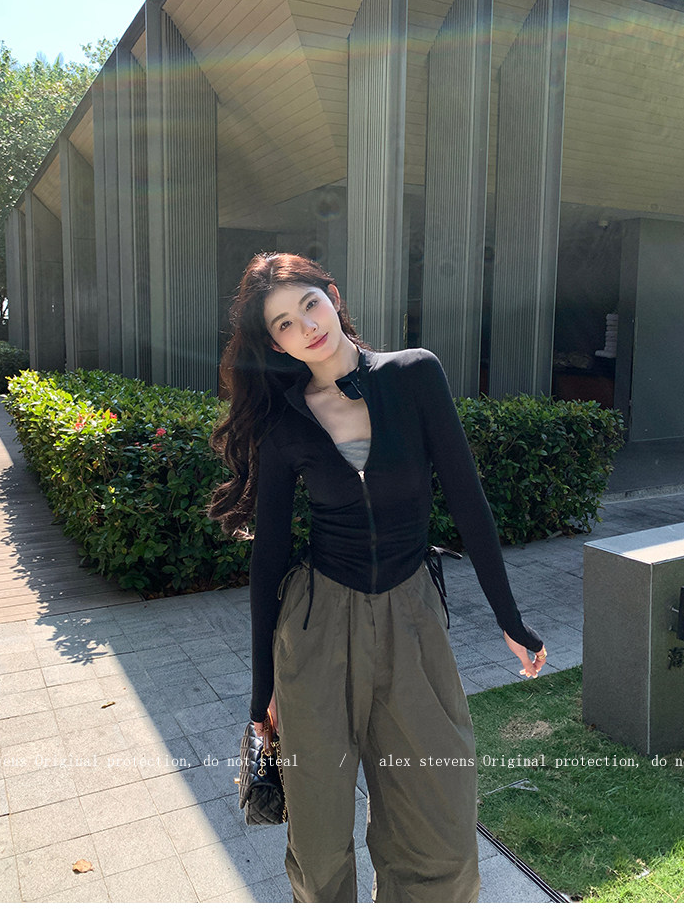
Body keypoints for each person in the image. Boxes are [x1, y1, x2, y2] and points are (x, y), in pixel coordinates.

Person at [209, 251, 546, 903]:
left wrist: (509, 618)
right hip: (316, 627)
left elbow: (468, 501)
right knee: (318, 837)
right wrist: (261, 697)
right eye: (284, 323)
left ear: (333, 296)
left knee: (440, 824)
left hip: (411, 615)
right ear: (274, 343)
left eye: (310, 304)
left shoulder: (414, 374)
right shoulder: (284, 422)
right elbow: (269, 556)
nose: (306, 326)